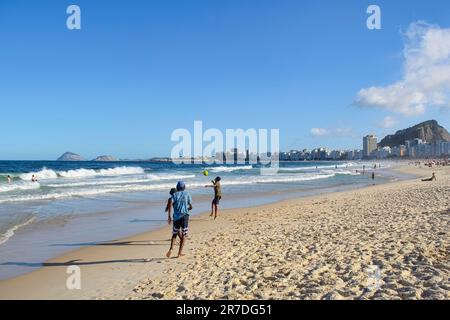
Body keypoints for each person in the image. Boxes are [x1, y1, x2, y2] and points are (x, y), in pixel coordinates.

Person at [166, 181, 192, 258]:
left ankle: (171, 248)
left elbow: (170, 203)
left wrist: (169, 216)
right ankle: (179, 253)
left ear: (177, 187)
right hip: (184, 216)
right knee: (184, 235)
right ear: (184, 187)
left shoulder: (174, 195)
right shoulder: (187, 194)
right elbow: (190, 206)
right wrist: (186, 209)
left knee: (174, 234)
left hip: (176, 217)